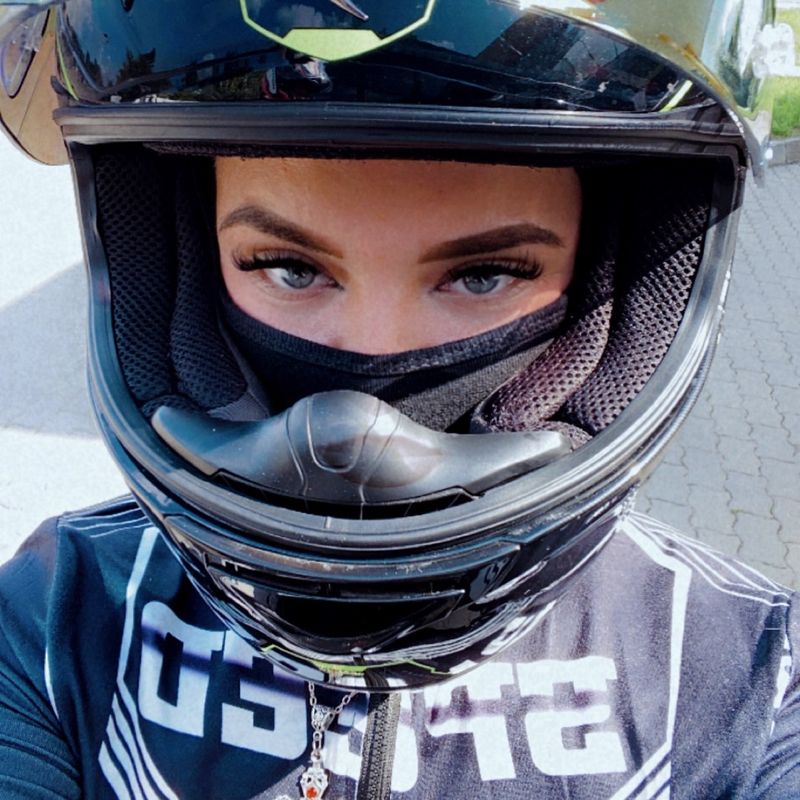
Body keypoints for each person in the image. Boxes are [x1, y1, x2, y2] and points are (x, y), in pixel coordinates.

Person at [0, 1, 797, 798]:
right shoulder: (54, 615)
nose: (359, 419)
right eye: (288, 267)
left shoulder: (749, 674)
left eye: (485, 275)